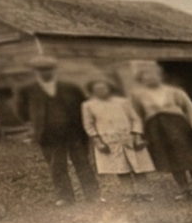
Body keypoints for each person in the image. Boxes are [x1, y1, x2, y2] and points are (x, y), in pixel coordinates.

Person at [12, 56, 96, 204]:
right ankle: (65, 197)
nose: (45, 73)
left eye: (48, 69)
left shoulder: (70, 88)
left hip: (74, 133)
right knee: (57, 167)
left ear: (54, 70)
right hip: (48, 135)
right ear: (36, 72)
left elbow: (84, 107)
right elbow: (21, 112)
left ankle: (93, 195)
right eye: (41, 70)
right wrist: (37, 123)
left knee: (83, 163)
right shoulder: (27, 90)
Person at [132, 65, 192, 198]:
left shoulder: (175, 92)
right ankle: (184, 191)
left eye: (153, 75)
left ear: (160, 76)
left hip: (180, 127)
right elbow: (137, 116)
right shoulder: (139, 96)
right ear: (141, 80)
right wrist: (138, 135)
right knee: (172, 160)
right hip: (157, 131)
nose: (150, 79)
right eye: (146, 77)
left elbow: (190, 110)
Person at [81, 78, 153, 197]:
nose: (101, 91)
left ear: (109, 88)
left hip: (128, 137)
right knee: (120, 168)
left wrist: (137, 135)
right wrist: (97, 141)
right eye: (97, 89)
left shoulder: (122, 102)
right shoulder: (88, 105)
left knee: (138, 166)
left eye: (103, 88)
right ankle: (129, 194)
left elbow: (135, 119)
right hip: (108, 140)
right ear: (92, 91)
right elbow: (88, 124)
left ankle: (144, 192)